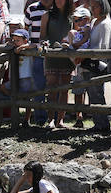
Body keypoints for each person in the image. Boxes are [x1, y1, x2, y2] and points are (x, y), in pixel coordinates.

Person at [41, 0, 73, 128]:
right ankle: (51, 120)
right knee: (51, 88)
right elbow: (42, 36)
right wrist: (45, 42)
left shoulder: (72, 17)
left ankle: (60, 120)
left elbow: (77, 35)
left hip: (67, 57)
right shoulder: (47, 15)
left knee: (64, 89)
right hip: (52, 56)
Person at [84, 0, 111, 132]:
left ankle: (103, 124)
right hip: (90, 61)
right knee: (92, 93)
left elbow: (104, 47)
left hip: (97, 63)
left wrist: (89, 54)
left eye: (94, 7)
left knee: (97, 93)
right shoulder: (94, 22)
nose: (92, 9)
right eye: (92, 7)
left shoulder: (105, 24)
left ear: (102, 7)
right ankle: (98, 123)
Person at [25, 0, 52, 126]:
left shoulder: (58, 7)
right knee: (38, 84)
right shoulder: (32, 8)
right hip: (36, 52)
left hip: (53, 52)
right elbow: (25, 28)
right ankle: (40, 118)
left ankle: (54, 117)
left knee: (54, 84)